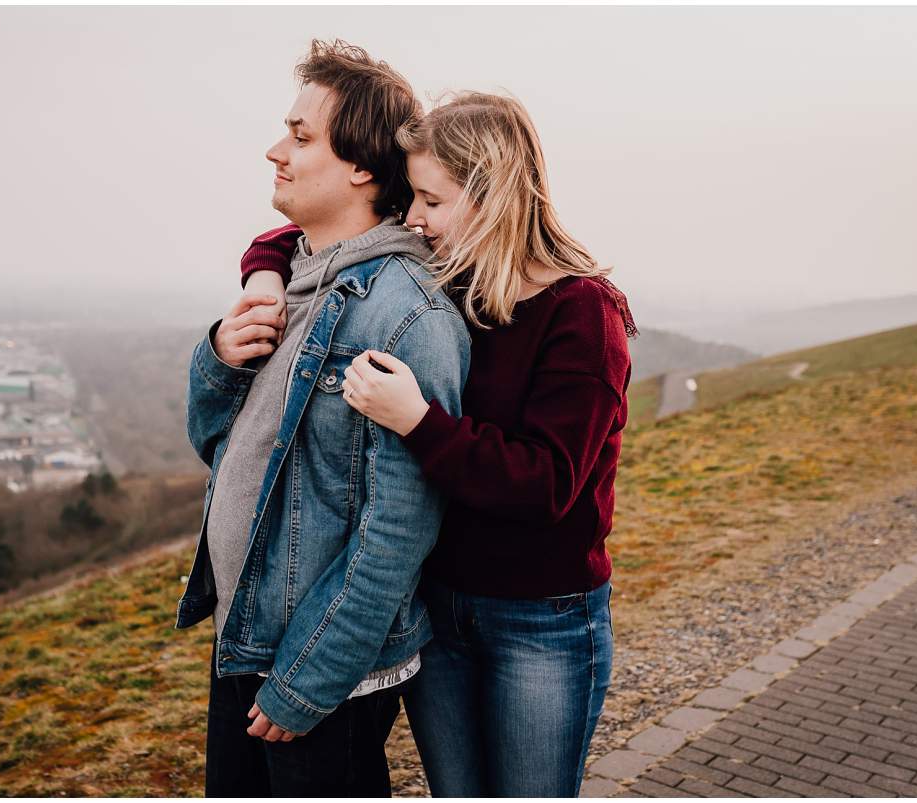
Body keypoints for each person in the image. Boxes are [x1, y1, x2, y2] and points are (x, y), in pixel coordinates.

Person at [239, 91, 637, 797]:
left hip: (540, 620)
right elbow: (300, 236)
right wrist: (266, 276)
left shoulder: (582, 312)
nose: (413, 218)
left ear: (494, 195)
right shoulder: (451, 280)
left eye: (430, 200)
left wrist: (417, 420)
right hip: (441, 612)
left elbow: (546, 484)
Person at [173, 40, 470, 797]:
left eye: (302, 137)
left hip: (323, 670)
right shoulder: (292, 285)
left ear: (363, 166)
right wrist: (219, 356)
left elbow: (399, 529)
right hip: (247, 641)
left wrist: (310, 679)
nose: (276, 151)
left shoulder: (408, 316)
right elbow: (219, 445)